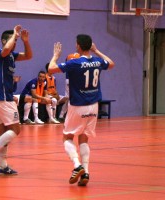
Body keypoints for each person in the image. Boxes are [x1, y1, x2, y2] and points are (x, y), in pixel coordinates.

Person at [48, 34, 115, 186]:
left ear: (78, 45)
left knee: (67, 137)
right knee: (84, 138)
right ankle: (86, 172)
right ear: (90, 46)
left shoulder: (75, 62)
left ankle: (77, 166)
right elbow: (111, 64)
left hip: (78, 105)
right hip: (93, 106)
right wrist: (97, 51)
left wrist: (55, 56)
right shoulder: (97, 61)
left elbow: (51, 69)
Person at [0, 25, 32, 175]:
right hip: (2, 97)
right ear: (4, 40)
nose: (15, 41)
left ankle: (2, 165)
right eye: (13, 39)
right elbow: (6, 48)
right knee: (16, 129)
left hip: (0, 98)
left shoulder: (12, 55)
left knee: (3, 131)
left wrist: (25, 41)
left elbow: (29, 56)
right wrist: (14, 34)